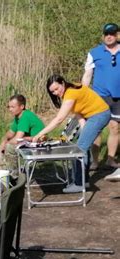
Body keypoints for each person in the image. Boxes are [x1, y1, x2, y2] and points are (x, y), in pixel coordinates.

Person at [33, 75, 111, 193]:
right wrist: (84, 127)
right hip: (92, 115)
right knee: (84, 144)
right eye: (52, 91)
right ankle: (84, 181)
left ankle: (79, 183)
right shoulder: (69, 89)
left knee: (79, 149)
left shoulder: (70, 93)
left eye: (57, 88)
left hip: (100, 114)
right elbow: (78, 111)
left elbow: (59, 119)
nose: (55, 93)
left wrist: (39, 134)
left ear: (63, 83)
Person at [81, 23, 120, 176]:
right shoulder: (94, 52)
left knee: (115, 128)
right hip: (99, 97)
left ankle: (110, 159)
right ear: (103, 35)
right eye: (106, 34)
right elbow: (87, 74)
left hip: (118, 97)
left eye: (112, 33)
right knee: (96, 129)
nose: (109, 36)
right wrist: (83, 94)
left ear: (117, 35)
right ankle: (95, 161)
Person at [0, 94, 45, 172]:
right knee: (5, 145)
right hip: (30, 142)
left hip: (39, 144)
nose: (10, 109)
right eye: (9, 107)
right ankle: (7, 169)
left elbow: (17, 139)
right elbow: (10, 133)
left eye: (13, 107)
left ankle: (13, 175)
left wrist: (6, 144)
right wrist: (3, 141)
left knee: (9, 147)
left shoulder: (25, 116)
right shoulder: (18, 117)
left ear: (22, 106)